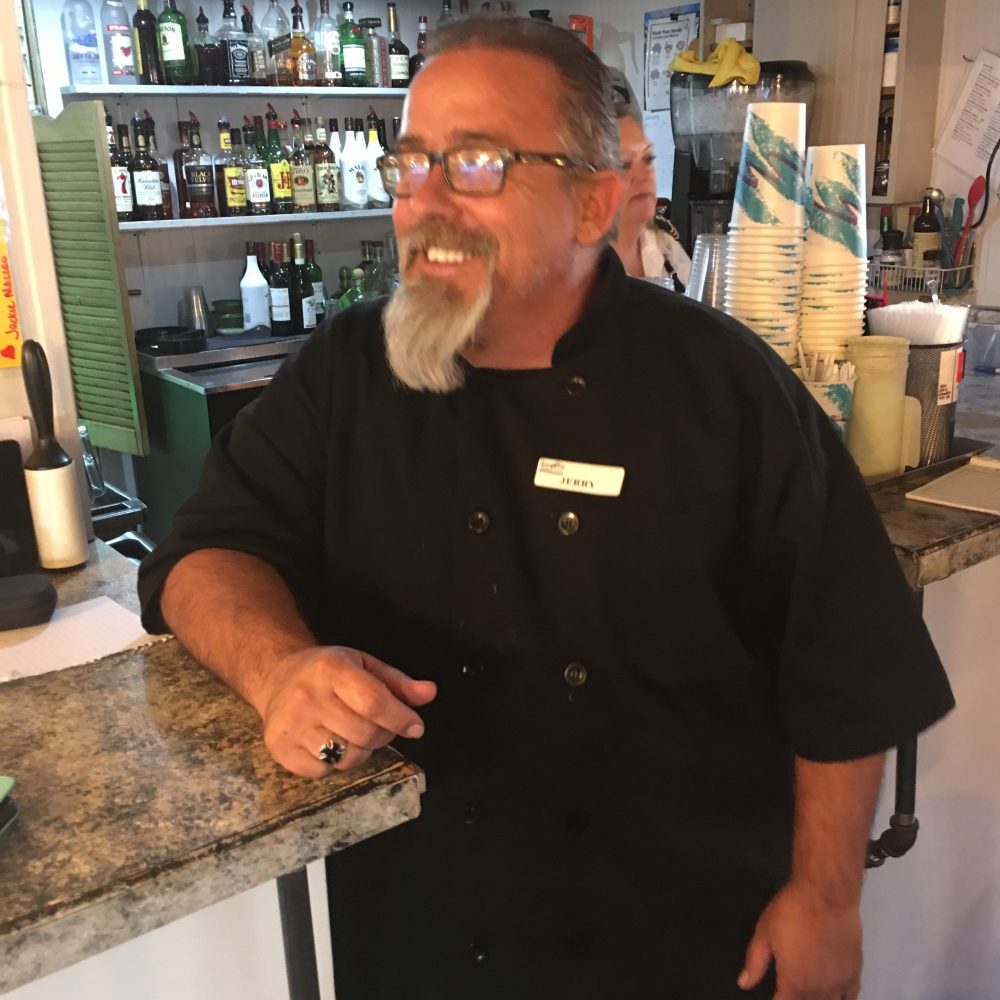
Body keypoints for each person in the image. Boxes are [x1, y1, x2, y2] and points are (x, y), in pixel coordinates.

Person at [138, 16, 954, 1000]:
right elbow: (205, 552)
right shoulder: (344, 371)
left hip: (680, 940)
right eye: (410, 164)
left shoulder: (722, 390)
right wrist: (279, 671)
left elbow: (845, 662)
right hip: (419, 935)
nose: (422, 204)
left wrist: (824, 898)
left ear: (590, 203)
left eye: (475, 163)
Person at [608, 67, 691, 288]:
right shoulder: (575, 271)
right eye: (623, 164)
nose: (642, 174)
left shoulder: (667, 250)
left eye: (648, 158)